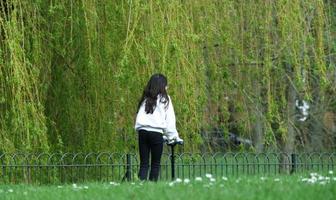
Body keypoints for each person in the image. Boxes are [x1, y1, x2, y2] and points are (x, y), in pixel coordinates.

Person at [135, 73, 183, 181]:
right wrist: (173, 137)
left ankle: (139, 187)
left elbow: (141, 116)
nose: (167, 87)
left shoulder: (145, 98)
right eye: (166, 85)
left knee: (144, 164)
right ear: (162, 86)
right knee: (155, 164)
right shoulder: (165, 99)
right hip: (156, 133)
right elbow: (170, 120)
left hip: (142, 132)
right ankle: (152, 188)